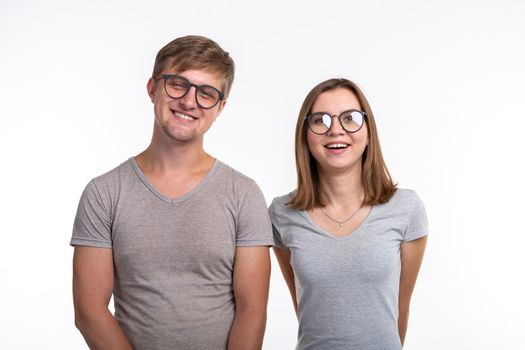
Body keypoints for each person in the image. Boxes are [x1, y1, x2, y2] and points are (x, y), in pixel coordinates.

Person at [71, 35, 274, 350]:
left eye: (206, 93)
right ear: (153, 88)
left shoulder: (243, 194)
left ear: (220, 107)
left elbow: (252, 313)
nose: (190, 101)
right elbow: (89, 312)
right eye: (178, 84)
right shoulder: (104, 193)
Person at [270, 78, 428, 350]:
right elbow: (306, 306)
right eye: (320, 120)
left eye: (350, 118)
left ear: (368, 132)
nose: (336, 131)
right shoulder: (281, 214)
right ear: (305, 135)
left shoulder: (406, 208)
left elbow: (399, 309)